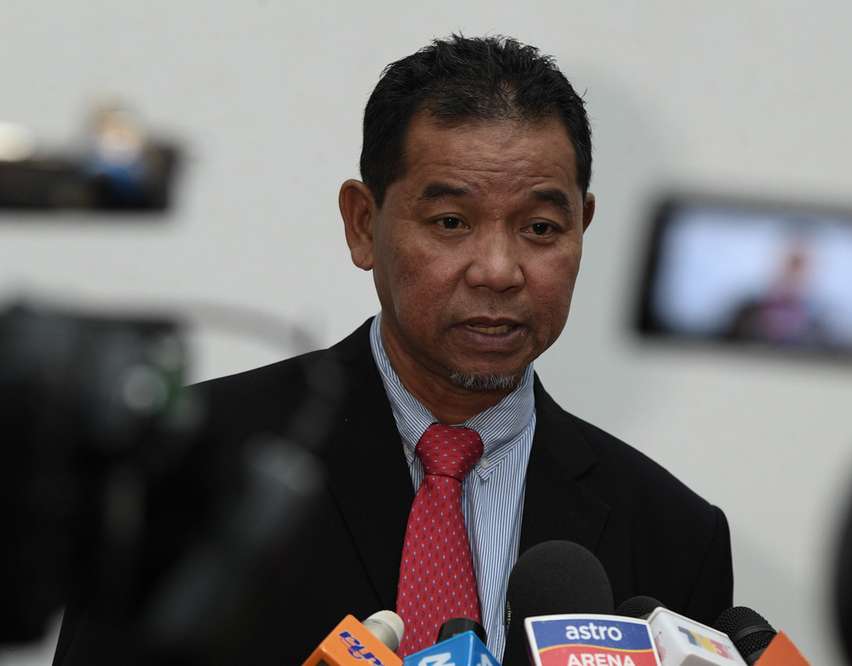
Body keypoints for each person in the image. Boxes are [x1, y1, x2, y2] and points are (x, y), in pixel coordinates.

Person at [54, 35, 732, 665]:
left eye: (540, 227)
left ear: (582, 228)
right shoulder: (185, 465)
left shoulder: (675, 536)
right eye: (450, 222)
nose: (498, 269)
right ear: (363, 224)